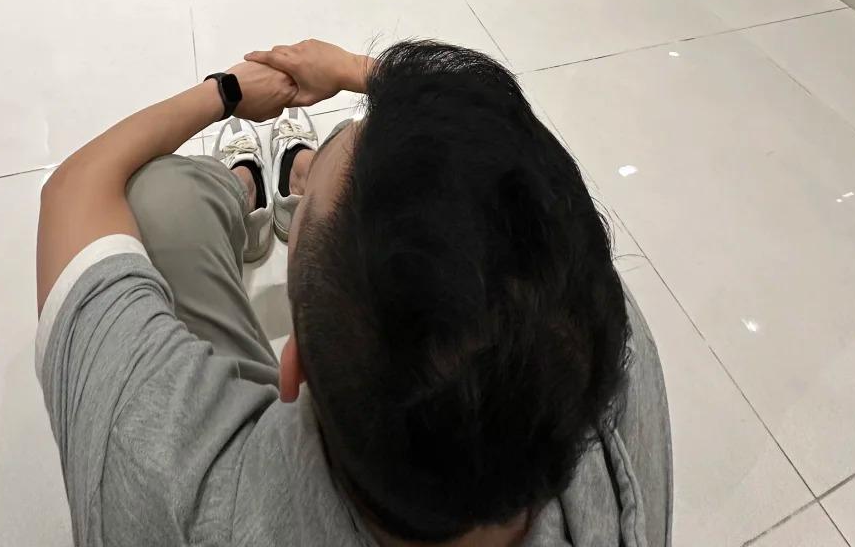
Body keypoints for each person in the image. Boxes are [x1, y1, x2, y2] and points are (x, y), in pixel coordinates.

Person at [36, 38, 672, 547]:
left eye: (316, 197)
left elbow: (75, 189)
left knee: (160, 198)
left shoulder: (165, 482)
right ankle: (301, 177)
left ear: (294, 370)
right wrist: (360, 72)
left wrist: (224, 92)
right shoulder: (610, 382)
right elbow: (516, 163)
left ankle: (246, 188)